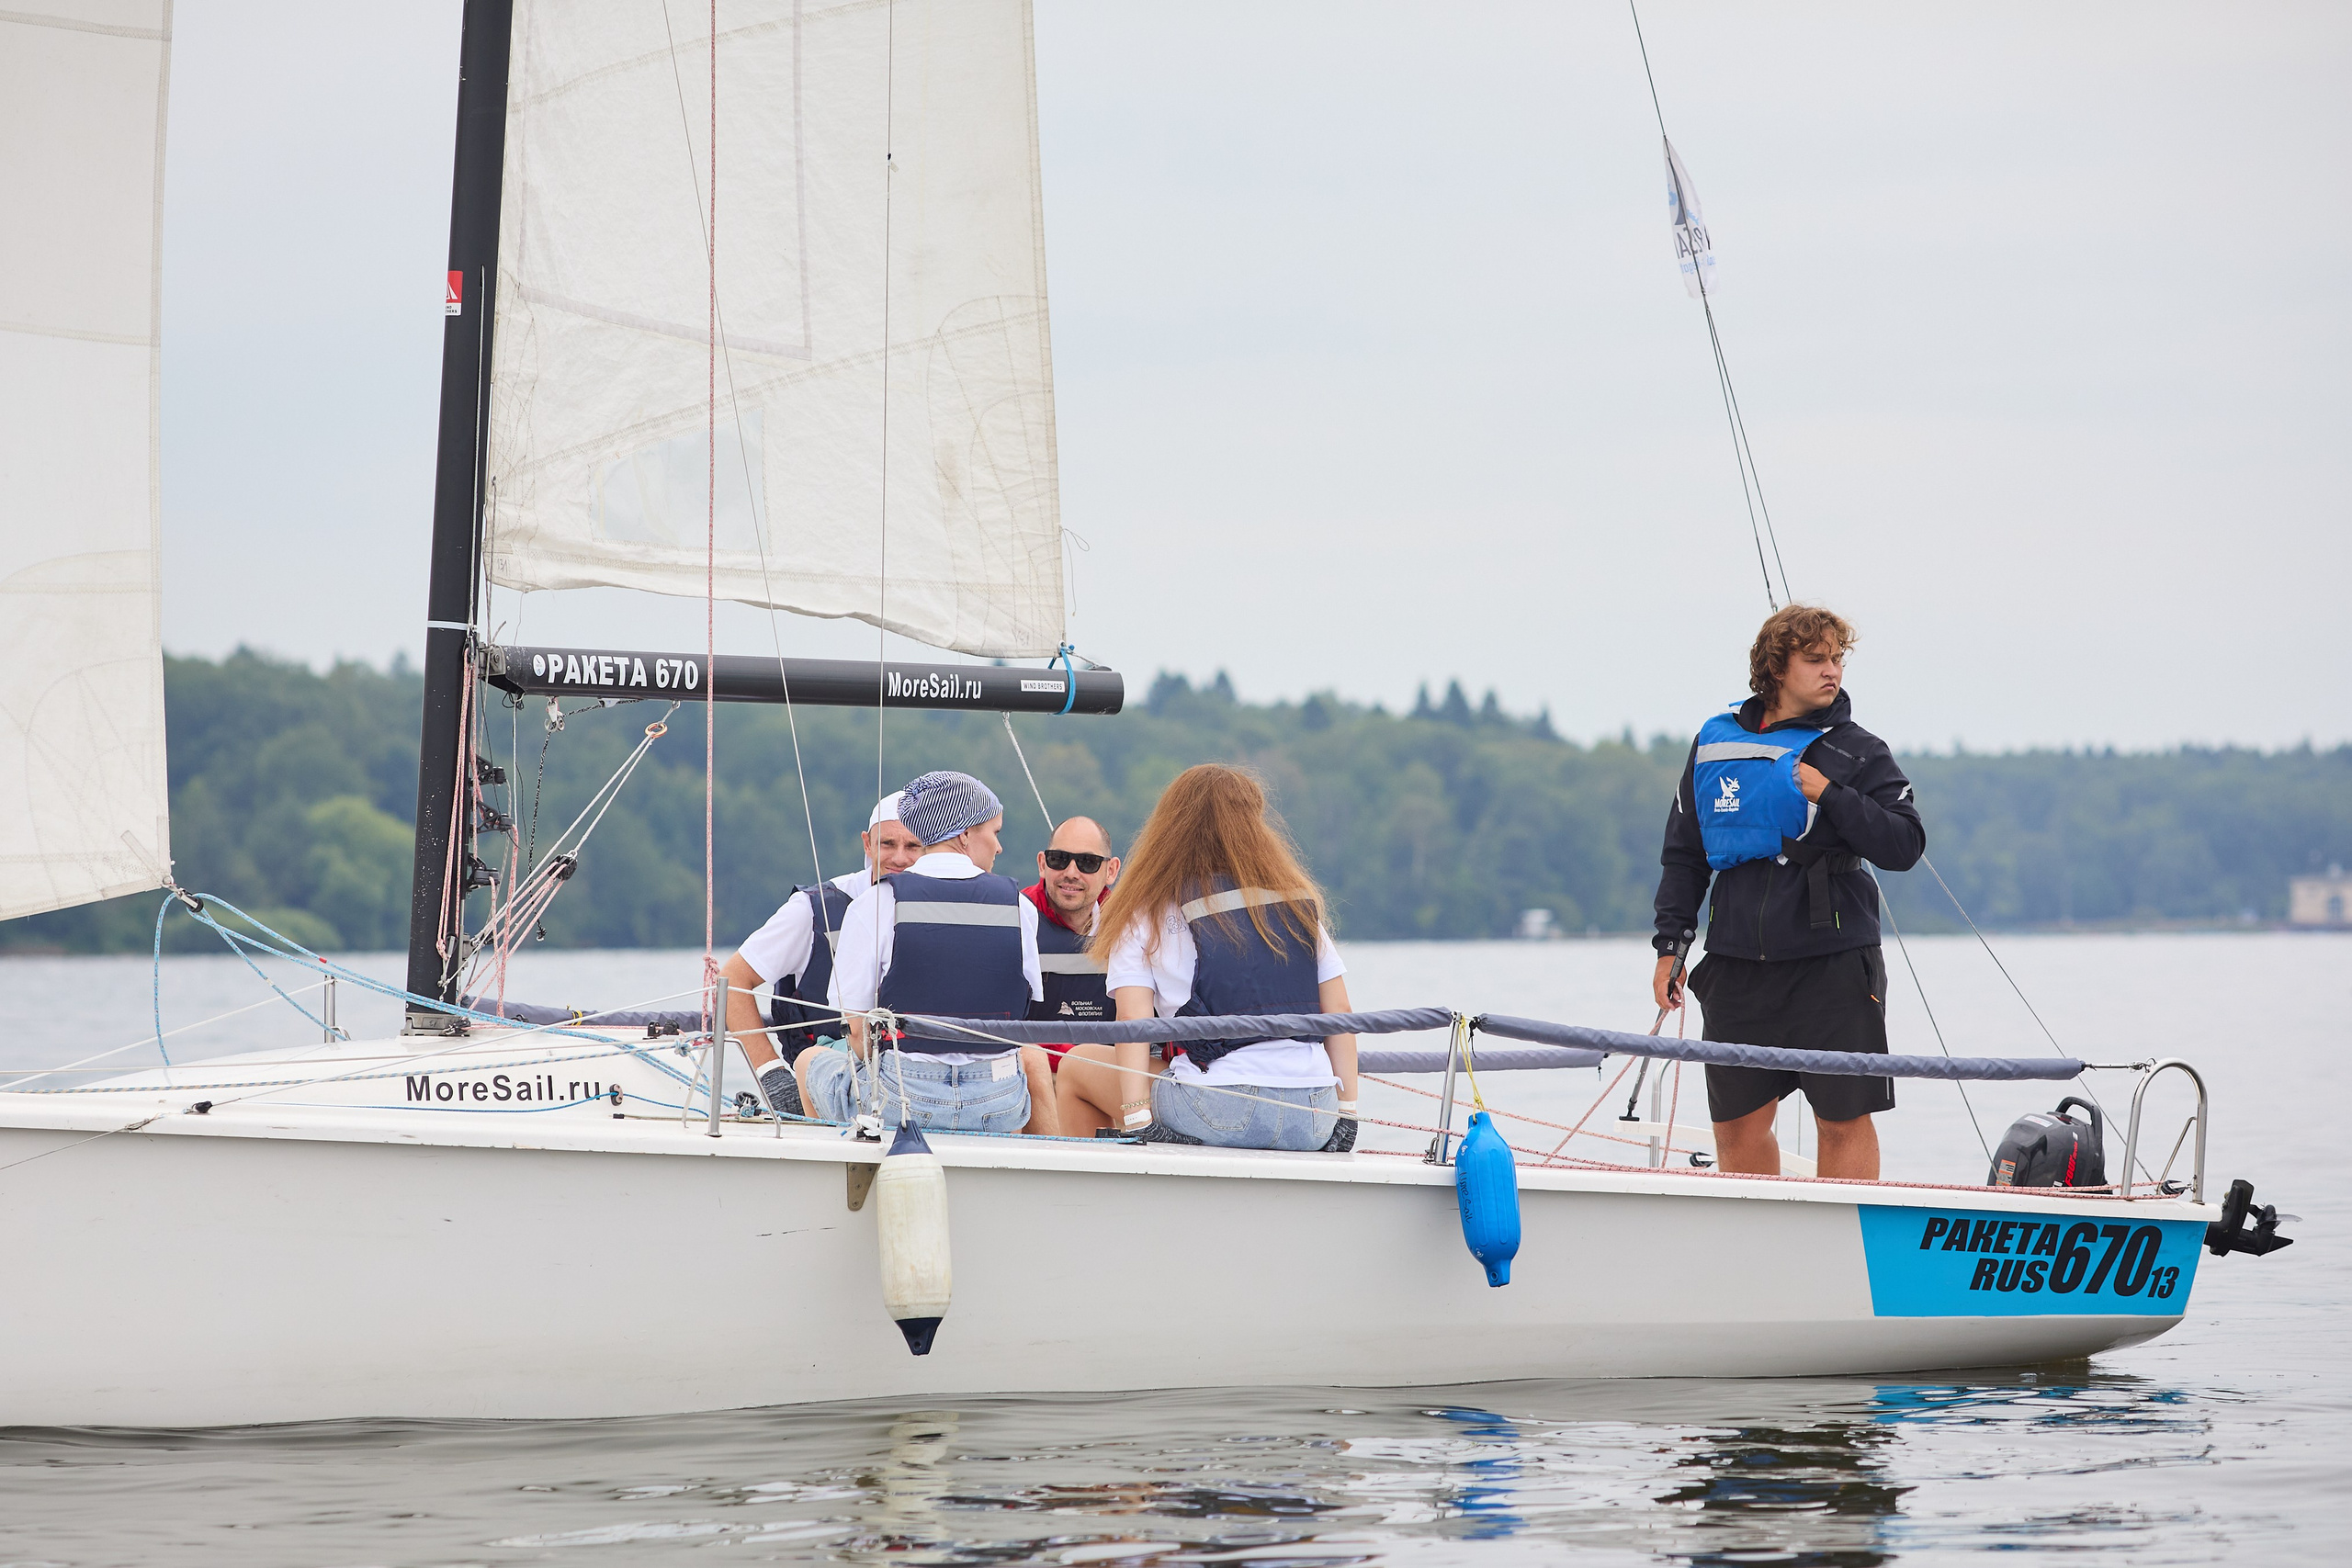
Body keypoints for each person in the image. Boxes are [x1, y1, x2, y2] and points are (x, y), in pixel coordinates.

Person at [1650, 604, 1926, 1181]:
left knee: (1843, 1117)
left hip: (1832, 965)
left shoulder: (1858, 750)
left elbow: (1905, 845)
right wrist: (1670, 945)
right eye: (1816, 659)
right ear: (1777, 667)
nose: (1832, 672)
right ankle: (1758, 1249)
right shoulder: (1714, 742)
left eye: (1837, 660)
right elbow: (1684, 853)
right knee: (1737, 1125)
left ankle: (1841, 1245)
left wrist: (1832, 796)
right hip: (1736, 967)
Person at [1058, 763, 1359, 1151]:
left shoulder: (1146, 910)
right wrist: (1347, 1114)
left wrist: (1136, 1117)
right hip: (1316, 1113)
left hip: (1219, 1106)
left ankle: (1093, 1198)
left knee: (1077, 1066)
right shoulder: (1295, 902)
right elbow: (1340, 1012)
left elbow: (1133, 1022)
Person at [801, 771, 1058, 1135]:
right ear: (965, 834)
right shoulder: (1020, 907)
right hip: (998, 1101)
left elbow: (856, 1030)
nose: (999, 847)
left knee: (809, 1060)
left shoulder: (876, 902)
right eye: (995, 832)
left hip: (905, 1101)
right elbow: (1024, 1005)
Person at [716, 793, 922, 1118]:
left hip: (920, 1081)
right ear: (867, 844)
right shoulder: (812, 911)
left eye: (913, 846)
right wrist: (772, 1075)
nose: (900, 857)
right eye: (888, 844)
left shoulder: (939, 911)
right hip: (826, 1080)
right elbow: (732, 980)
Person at [1023, 817, 1121, 1069]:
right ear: (1042, 864)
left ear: (1111, 871)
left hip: (1108, 1074)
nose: (1071, 873)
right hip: (1034, 1076)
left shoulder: (1131, 926)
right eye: (1059, 859)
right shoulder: (1015, 919)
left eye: (1088, 862)